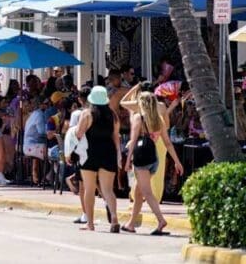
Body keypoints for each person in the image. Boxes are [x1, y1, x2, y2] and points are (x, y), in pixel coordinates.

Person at [122, 91, 184, 235]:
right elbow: (168, 143)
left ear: (142, 103)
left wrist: (127, 161)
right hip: (153, 158)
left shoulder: (139, 118)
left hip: (141, 157)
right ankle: (131, 224)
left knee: (146, 192)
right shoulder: (159, 120)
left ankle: (161, 220)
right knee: (138, 192)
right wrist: (177, 161)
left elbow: (132, 142)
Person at [75, 86, 121, 233]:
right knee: (108, 190)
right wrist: (118, 154)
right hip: (108, 152)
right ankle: (114, 218)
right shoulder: (112, 116)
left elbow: (79, 133)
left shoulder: (87, 114)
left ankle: (90, 223)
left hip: (90, 153)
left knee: (89, 189)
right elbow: (116, 137)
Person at [23, 96, 49, 185]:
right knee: (52, 152)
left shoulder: (33, 114)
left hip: (28, 145)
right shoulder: (39, 115)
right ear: (41, 105)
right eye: (46, 104)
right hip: (32, 146)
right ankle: (48, 177)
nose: (47, 106)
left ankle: (39, 175)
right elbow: (42, 131)